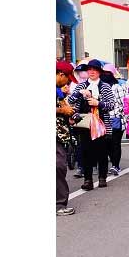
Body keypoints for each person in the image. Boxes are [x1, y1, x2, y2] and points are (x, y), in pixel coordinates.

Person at [66, 59, 115, 191]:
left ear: (99, 72)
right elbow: (69, 100)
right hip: (84, 123)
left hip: (101, 123)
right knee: (85, 151)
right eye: (89, 69)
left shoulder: (105, 86)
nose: (92, 72)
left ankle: (102, 177)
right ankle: (88, 180)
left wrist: (98, 103)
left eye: (95, 69)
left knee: (102, 151)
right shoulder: (81, 86)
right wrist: (80, 93)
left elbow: (111, 105)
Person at [56, 61, 76, 215]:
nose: (68, 82)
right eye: (67, 78)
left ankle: (60, 203)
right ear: (61, 75)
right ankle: (59, 205)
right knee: (58, 167)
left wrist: (69, 113)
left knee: (59, 167)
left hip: (60, 133)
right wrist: (63, 111)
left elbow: (63, 107)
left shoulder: (58, 91)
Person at [102, 63, 126, 176]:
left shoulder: (117, 87)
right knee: (107, 143)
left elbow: (123, 104)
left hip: (116, 119)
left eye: (108, 73)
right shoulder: (99, 87)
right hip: (103, 120)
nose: (105, 76)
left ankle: (115, 165)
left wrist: (124, 119)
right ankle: (111, 165)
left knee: (115, 143)